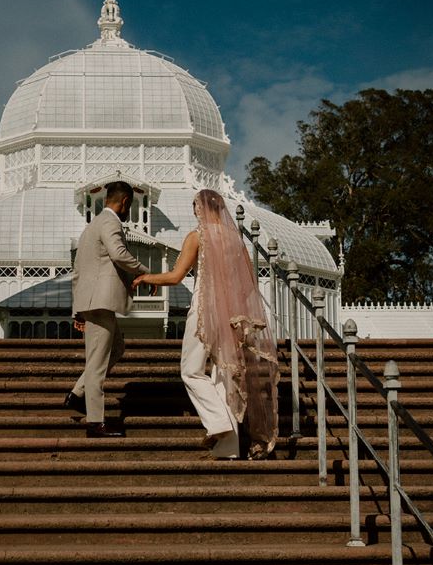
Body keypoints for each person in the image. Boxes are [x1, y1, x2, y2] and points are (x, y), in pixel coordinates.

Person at [132, 188, 279, 459]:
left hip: (204, 309)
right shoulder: (237, 241)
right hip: (234, 313)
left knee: (191, 370)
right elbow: (249, 284)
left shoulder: (197, 236)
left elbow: (176, 276)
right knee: (223, 374)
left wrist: (146, 278)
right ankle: (229, 449)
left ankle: (219, 424)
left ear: (199, 208)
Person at [65, 181, 151, 438]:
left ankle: (77, 394)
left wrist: (78, 308)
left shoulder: (91, 226)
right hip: (100, 302)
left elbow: (79, 270)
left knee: (117, 348)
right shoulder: (111, 222)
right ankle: (95, 423)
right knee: (98, 362)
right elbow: (119, 253)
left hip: (93, 301)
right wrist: (146, 273)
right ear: (125, 202)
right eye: (129, 206)